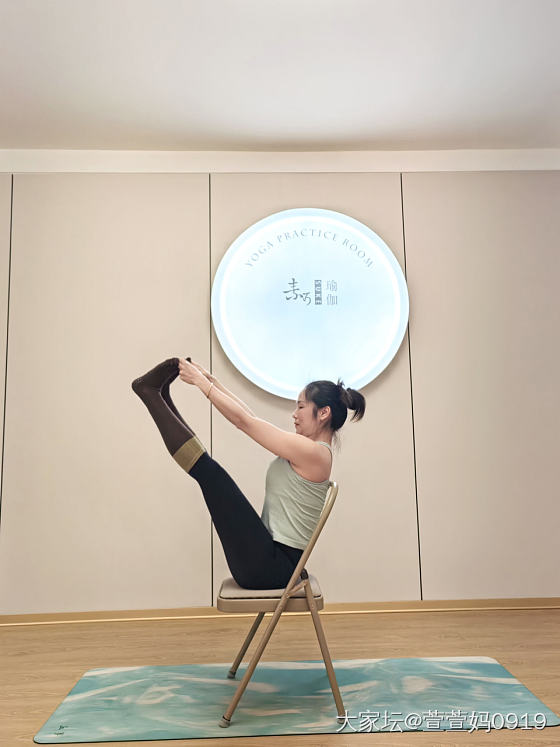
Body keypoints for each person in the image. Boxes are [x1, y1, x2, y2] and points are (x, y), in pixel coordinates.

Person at [132, 357, 365, 589]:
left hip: (270, 568)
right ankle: (159, 396)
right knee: (211, 474)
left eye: (301, 406)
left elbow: (244, 422)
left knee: (211, 474)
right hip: (269, 559)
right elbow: (250, 418)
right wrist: (211, 381)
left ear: (323, 413)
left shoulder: (314, 453)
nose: (294, 414)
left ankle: (152, 395)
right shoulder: (310, 450)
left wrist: (202, 384)